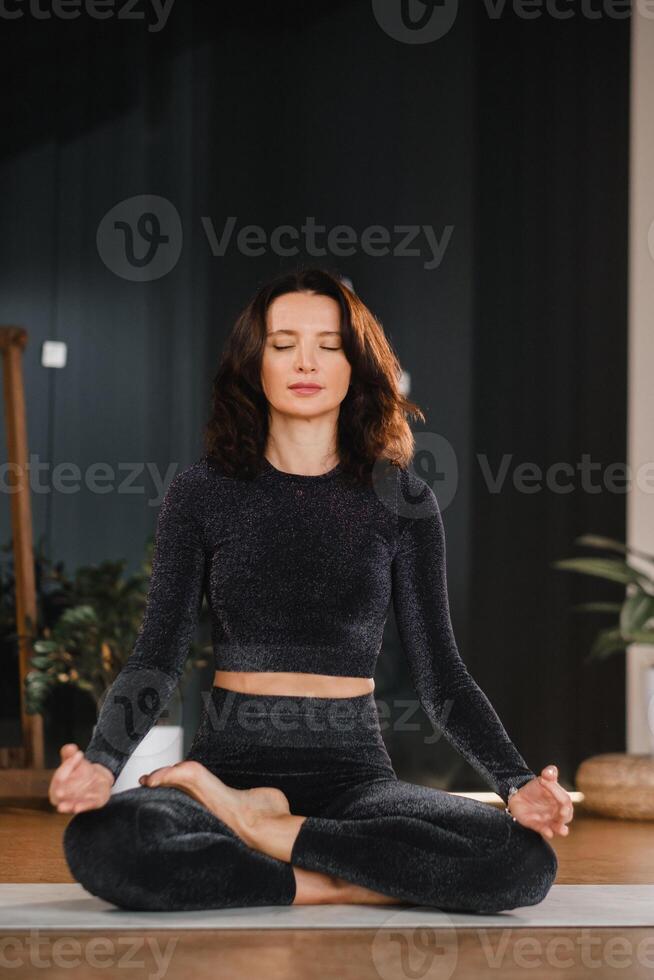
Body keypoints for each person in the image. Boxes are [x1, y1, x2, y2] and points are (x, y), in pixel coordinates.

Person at [50, 267, 573, 912]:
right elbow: (157, 657)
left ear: (355, 365)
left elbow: (443, 674)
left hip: (353, 776)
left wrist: (517, 782)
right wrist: (102, 764)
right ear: (254, 362)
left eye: (328, 345)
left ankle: (265, 831)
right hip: (228, 764)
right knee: (105, 842)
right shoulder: (201, 493)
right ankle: (327, 872)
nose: (306, 362)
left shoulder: (401, 499)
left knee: (520, 862)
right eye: (283, 343)